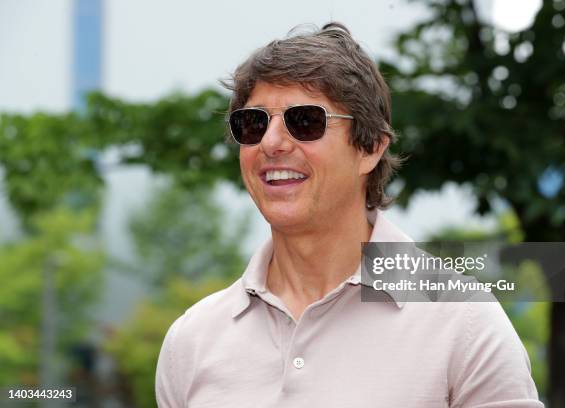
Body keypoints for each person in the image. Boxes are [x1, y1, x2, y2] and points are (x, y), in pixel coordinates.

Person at [155, 22, 543, 407]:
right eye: (253, 123)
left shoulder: (464, 323)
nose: (271, 143)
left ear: (370, 147)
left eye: (304, 121)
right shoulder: (191, 341)